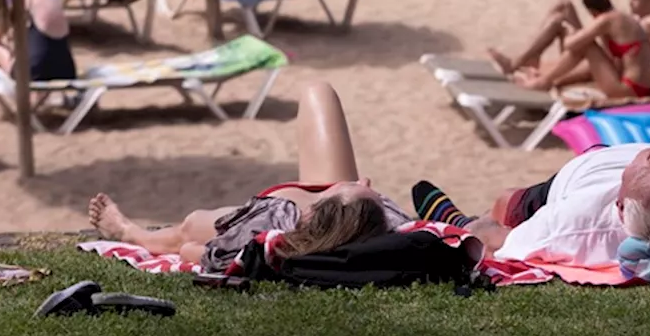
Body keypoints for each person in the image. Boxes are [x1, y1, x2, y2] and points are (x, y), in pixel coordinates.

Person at [88, 81, 411, 265]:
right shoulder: (393, 229)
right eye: (366, 186)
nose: (366, 180)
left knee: (191, 227)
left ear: (311, 214)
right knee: (318, 91)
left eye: (360, 185)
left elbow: (193, 252)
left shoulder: (269, 235)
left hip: (286, 212)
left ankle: (132, 233)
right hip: (336, 207)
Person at [412, 144, 650, 269]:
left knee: (502, 207)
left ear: (621, 204)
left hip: (580, 174)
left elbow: (502, 248)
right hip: (599, 169)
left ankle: (454, 218)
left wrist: (481, 230)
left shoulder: (575, 222)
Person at [488, 0, 650, 99]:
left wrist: (570, 31)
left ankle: (537, 75)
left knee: (583, 43)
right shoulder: (616, 20)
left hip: (629, 90)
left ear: (592, 12)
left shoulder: (608, 21)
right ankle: (531, 60)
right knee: (563, 6)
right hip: (630, 85)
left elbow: (572, 44)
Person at [0, 0, 78, 82]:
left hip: (34, 72)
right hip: (67, 70)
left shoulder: (23, 3)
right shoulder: (53, 0)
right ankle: (38, 99)